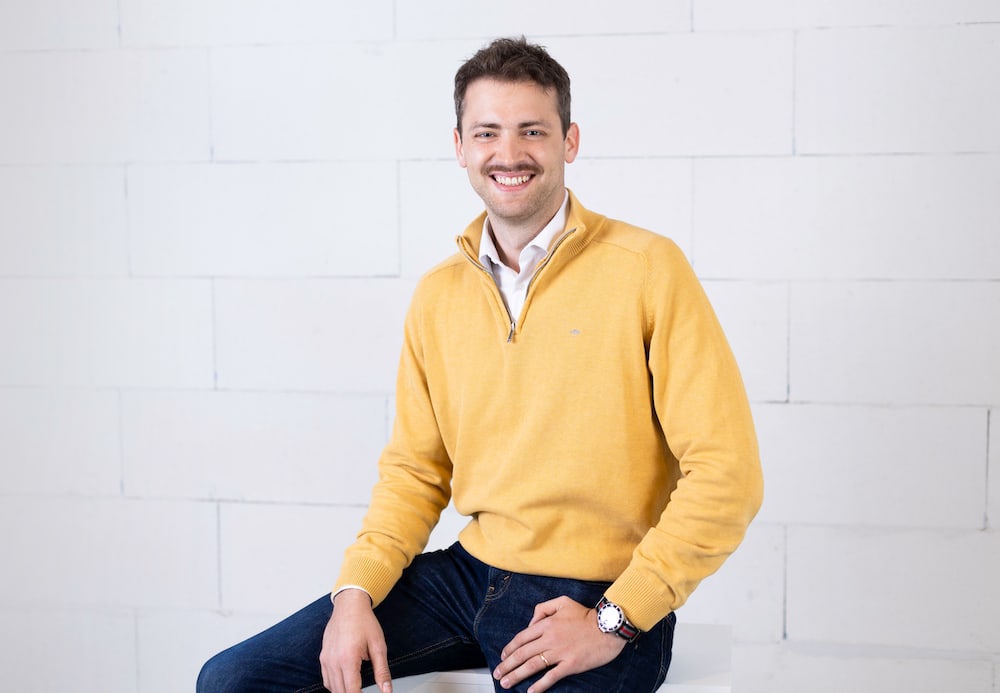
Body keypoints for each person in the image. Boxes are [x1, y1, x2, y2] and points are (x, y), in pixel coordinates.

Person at [198, 36, 763, 693]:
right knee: (233, 680)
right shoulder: (439, 295)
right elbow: (415, 471)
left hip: (597, 590)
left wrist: (616, 616)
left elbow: (728, 474)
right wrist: (354, 591)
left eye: (533, 131)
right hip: (468, 577)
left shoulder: (647, 268)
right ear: (461, 146)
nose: (509, 153)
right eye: (487, 132)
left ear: (570, 141)